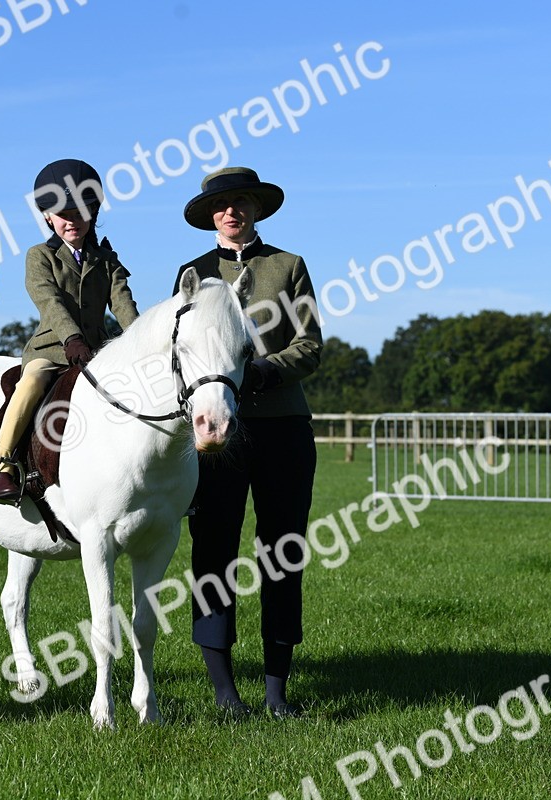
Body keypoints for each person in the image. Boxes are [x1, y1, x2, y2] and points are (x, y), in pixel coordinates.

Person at [172, 166, 323, 717]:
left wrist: (261, 373)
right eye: (222, 205)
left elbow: (309, 346)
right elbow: (179, 354)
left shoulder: (289, 267)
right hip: (217, 431)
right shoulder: (192, 274)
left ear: (255, 209)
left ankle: (277, 692)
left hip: (282, 427)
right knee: (213, 551)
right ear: (211, 215)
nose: (232, 212)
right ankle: (224, 691)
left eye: (241, 202)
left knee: (282, 553)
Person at [0, 159, 139, 503]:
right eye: (63, 214)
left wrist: (140, 339)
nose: (72, 220)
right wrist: (72, 338)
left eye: (81, 211)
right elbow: (49, 300)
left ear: (93, 213)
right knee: (31, 383)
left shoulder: (107, 260)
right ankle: (2, 466)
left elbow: (123, 302)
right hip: (53, 350)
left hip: (97, 351)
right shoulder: (40, 256)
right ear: (48, 217)